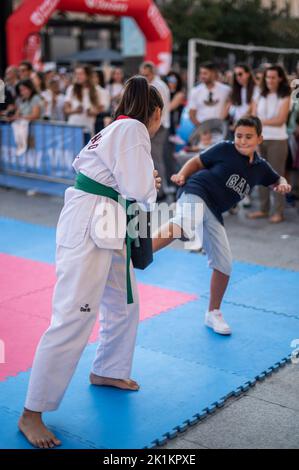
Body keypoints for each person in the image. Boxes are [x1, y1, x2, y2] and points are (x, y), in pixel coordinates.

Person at [18, 75, 163, 449]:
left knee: (124, 302)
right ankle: (31, 413)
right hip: (92, 220)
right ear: (157, 112)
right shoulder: (132, 129)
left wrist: (145, 182)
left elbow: (124, 182)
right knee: (73, 315)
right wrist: (152, 182)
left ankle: (108, 370)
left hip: (106, 218)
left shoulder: (116, 126)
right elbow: (138, 189)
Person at [153, 116, 291, 336]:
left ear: (259, 139)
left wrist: (282, 185)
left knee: (224, 264)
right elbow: (197, 161)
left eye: (248, 137)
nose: (242, 141)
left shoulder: (261, 168)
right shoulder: (225, 149)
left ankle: (213, 313)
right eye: (238, 136)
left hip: (215, 211)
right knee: (185, 224)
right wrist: (182, 175)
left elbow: (276, 179)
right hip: (196, 192)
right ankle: (140, 250)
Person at [249, 64, 291, 223]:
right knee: (260, 174)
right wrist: (258, 129)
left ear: (280, 78)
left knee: (277, 177)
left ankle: (278, 212)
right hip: (260, 138)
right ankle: (263, 209)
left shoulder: (285, 95)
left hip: (277, 140)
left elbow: (280, 120)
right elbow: (253, 117)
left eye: (273, 77)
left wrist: (260, 122)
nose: (270, 80)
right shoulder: (259, 94)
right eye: (267, 77)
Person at [140, 61, 170, 199]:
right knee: (154, 158)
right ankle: (159, 190)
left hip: (159, 125)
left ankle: (161, 191)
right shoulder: (156, 85)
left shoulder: (157, 86)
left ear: (152, 73)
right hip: (157, 124)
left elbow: (159, 109)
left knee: (155, 158)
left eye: (146, 75)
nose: (145, 77)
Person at [64, 65, 104, 138]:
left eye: (81, 74)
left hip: (88, 129)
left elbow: (100, 109)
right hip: (73, 128)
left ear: (87, 75)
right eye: (76, 74)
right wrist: (75, 110)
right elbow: (66, 110)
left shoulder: (96, 90)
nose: (78, 76)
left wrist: (92, 112)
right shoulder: (71, 89)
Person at [189, 62, 231, 127]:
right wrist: (202, 129)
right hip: (202, 129)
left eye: (205, 73)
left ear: (213, 73)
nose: (202, 76)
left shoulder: (226, 90)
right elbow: (192, 114)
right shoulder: (195, 91)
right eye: (201, 73)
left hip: (220, 128)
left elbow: (228, 107)